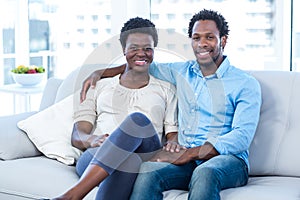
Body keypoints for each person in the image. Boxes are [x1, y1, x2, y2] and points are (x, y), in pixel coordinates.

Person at [80, 9, 262, 200]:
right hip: (184, 160)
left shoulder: (245, 83)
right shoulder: (182, 72)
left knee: (205, 172)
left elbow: (241, 136)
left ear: (223, 40)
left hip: (227, 161)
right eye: (196, 38)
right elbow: (142, 64)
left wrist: (191, 153)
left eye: (210, 37)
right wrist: (101, 72)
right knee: (148, 171)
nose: (202, 44)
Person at [53, 17, 180, 200]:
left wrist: (173, 142)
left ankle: (70, 197)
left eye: (147, 48)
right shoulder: (99, 86)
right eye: (134, 48)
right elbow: (77, 135)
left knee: (138, 121)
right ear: (123, 50)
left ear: (154, 51)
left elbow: (171, 133)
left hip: (146, 151)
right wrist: (92, 139)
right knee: (127, 160)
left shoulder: (166, 89)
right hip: (97, 155)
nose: (141, 53)